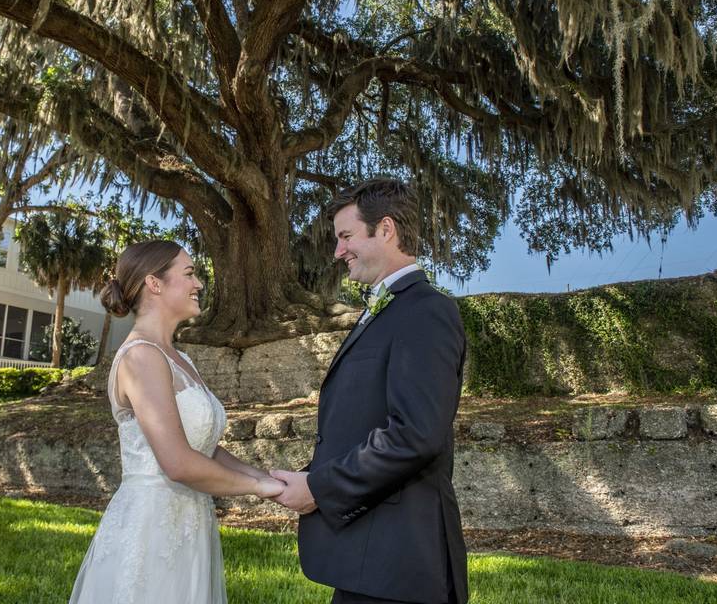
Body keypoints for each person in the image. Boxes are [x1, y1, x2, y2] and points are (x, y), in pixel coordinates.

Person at [271, 179, 469, 604]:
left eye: (346, 237)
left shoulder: (427, 311)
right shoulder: (382, 311)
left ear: (386, 229)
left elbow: (415, 434)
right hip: (369, 559)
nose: (338, 251)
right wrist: (308, 477)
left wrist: (320, 488)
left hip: (399, 564)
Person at [69, 240, 284, 604]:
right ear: (155, 283)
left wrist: (266, 476)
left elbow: (204, 449)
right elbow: (177, 462)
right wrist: (259, 490)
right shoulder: (141, 358)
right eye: (189, 274)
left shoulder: (180, 359)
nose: (198, 284)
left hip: (191, 522)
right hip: (151, 528)